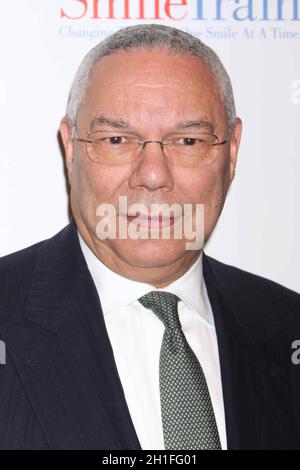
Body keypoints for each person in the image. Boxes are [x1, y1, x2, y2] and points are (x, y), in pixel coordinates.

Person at [0, 24, 300, 451]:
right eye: (118, 139)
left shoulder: (288, 325)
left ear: (231, 152)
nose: (154, 176)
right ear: (70, 149)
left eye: (188, 140)